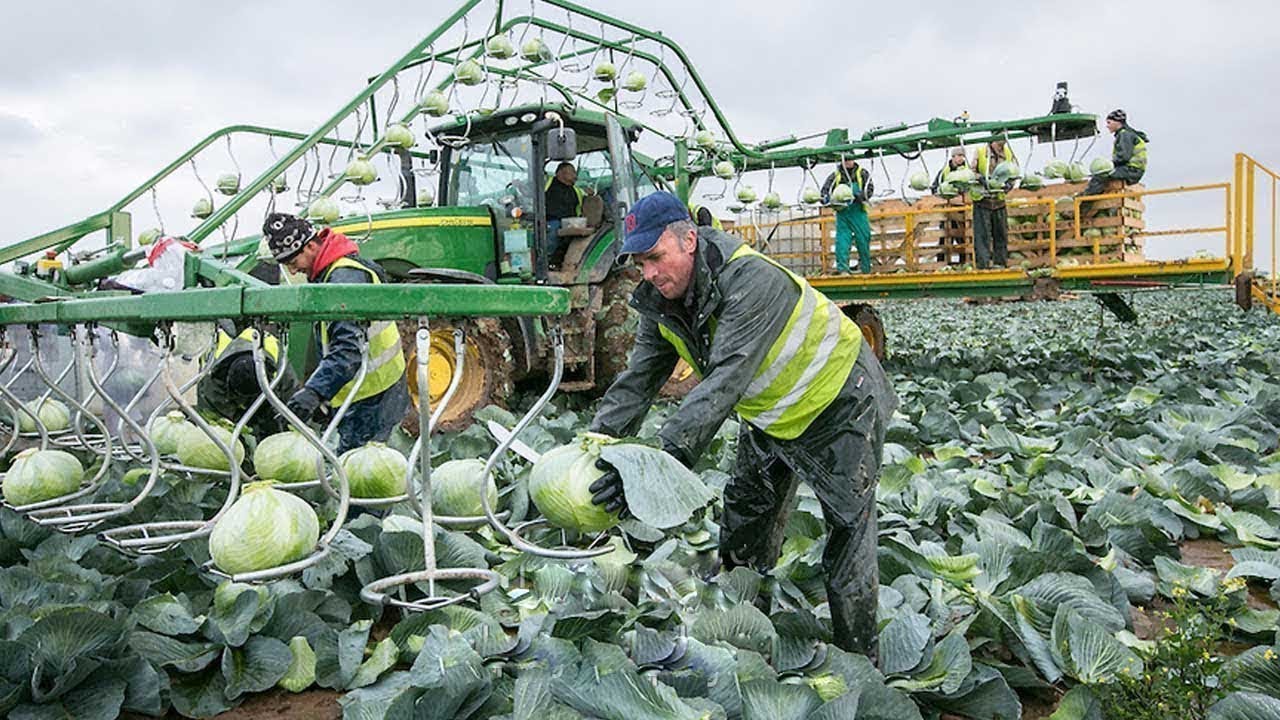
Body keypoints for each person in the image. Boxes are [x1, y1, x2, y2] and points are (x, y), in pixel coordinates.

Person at [587, 191, 897, 658]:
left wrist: (652, 469)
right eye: (640, 262)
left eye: (655, 258)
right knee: (745, 520)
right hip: (771, 412)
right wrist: (596, 445)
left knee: (847, 533)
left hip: (839, 401)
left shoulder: (750, 280)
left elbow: (723, 383)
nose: (649, 274)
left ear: (689, 240)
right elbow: (638, 381)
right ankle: (746, 633)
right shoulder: (661, 300)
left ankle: (859, 660)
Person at [262, 213, 408, 453]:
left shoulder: (345, 278)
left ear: (310, 245)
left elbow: (348, 350)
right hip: (364, 390)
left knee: (362, 473)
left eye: (293, 261)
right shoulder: (331, 274)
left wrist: (314, 392)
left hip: (374, 395)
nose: (294, 271)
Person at [196, 322, 298, 440]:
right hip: (222, 389)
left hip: (266, 395)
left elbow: (291, 402)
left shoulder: (277, 361)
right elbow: (213, 416)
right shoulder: (213, 377)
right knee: (218, 434)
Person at [820, 158, 875, 274]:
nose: (847, 162)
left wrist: (858, 196)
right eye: (845, 160)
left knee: (863, 239)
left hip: (858, 212)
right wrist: (826, 199)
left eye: (849, 159)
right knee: (842, 241)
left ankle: (865, 269)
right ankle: (843, 269)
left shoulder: (862, 173)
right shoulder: (835, 175)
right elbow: (824, 191)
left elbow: (869, 190)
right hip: (842, 214)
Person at [970, 139, 1016, 269]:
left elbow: (1013, 171)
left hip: (999, 201)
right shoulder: (980, 152)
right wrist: (980, 178)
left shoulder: (1008, 152)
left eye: (1003, 144)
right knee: (982, 237)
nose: (1002, 147)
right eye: (999, 144)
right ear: (993, 141)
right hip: (982, 200)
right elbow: (970, 172)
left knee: (1001, 235)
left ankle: (1000, 265)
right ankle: (983, 267)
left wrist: (1009, 185)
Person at [1082, 109, 1149, 197]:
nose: (1107, 126)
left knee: (1100, 176)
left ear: (1117, 122)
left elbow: (1123, 157)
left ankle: (1082, 203)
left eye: (1109, 122)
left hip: (1131, 170)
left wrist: (1108, 165)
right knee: (1105, 177)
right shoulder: (1127, 134)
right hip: (1133, 170)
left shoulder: (1125, 135)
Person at [932, 148, 969, 264]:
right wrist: (943, 194)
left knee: (964, 238)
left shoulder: (968, 171)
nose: (960, 158)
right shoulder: (944, 172)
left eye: (962, 155)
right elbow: (934, 188)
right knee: (945, 237)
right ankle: (941, 264)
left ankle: (964, 263)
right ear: (952, 157)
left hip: (964, 211)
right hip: (947, 210)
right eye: (957, 155)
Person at [544, 162, 584, 264]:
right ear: (561, 173)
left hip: (570, 222)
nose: (576, 176)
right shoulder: (547, 183)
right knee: (553, 228)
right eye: (573, 172)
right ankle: (546, 260)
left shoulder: (576, 190)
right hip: (549, 221)